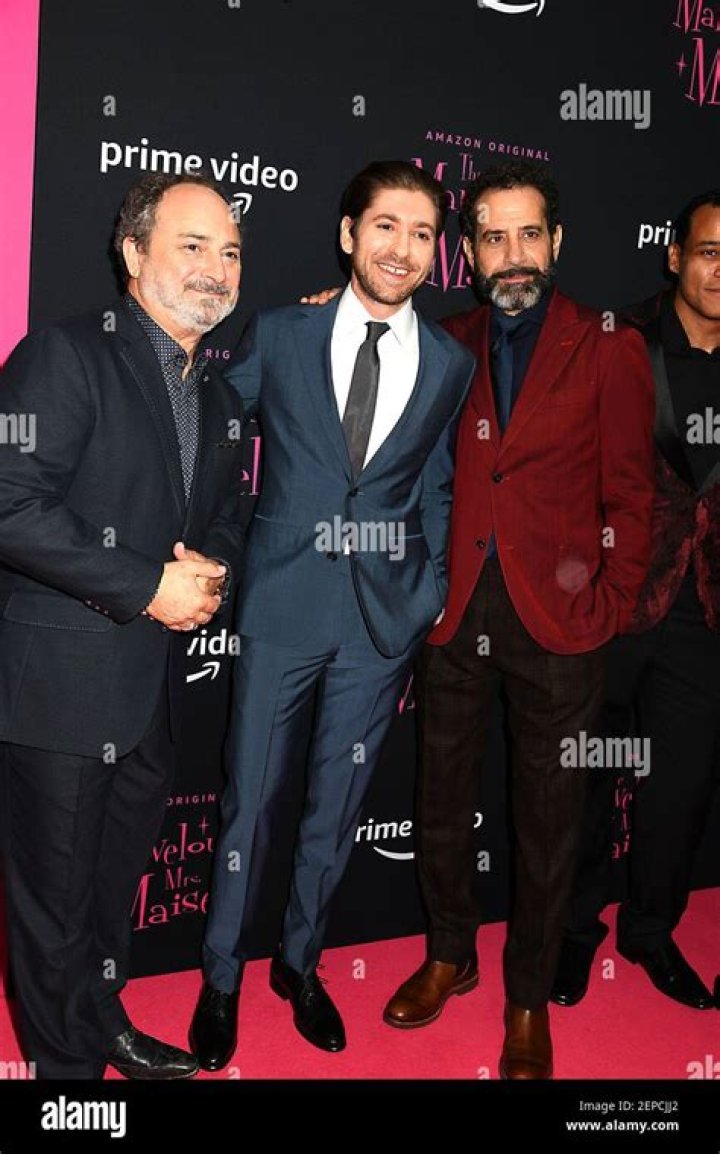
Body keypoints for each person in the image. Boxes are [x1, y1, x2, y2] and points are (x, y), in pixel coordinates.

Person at [188, 160, 475, 1068]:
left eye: (422, 234)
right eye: (385, 226)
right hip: (281, 603)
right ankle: (222, 978)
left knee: (337, 807)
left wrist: (429, 590)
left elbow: (437, 485)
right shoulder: (282, 332)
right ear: (350, 235)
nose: (402, 248)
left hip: (381, 622)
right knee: (249, 804)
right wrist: (200, 542)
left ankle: (301, 965)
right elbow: (212, 436)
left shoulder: (451, 364)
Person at [382, 160, 656, 1079]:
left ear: (557, 241)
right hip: (456, 611)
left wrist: (610, 602)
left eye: (528, 234)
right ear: (468, 251)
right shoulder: (444, 341)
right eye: (493, 236)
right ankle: (449, 953)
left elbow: (633, 491)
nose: (513, 254)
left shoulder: (608, 345)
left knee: (549, 821)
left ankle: (529, 997)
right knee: (439, 798)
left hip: (563, 621)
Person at [0, 171, 246, 1078]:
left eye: (230, 251)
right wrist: (148, 587)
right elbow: (9, 501)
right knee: (55, 908)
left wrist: (213, 571)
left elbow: (226, 518)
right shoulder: (65, 354)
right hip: (62, 697)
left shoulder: (218, 399)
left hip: (150, 700)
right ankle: (67, 1084)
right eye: (193, 245)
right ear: (133, 253)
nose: (217, 267)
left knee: (109, 895)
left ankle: (102, 1025)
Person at [550, 190, 720, 1013]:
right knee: (585, 784)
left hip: (705, 615)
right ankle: (573, 934)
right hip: (614, 604)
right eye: (710, 252)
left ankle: (650, 933)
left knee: (678, 790)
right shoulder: (615, 340)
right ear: (676, 255)